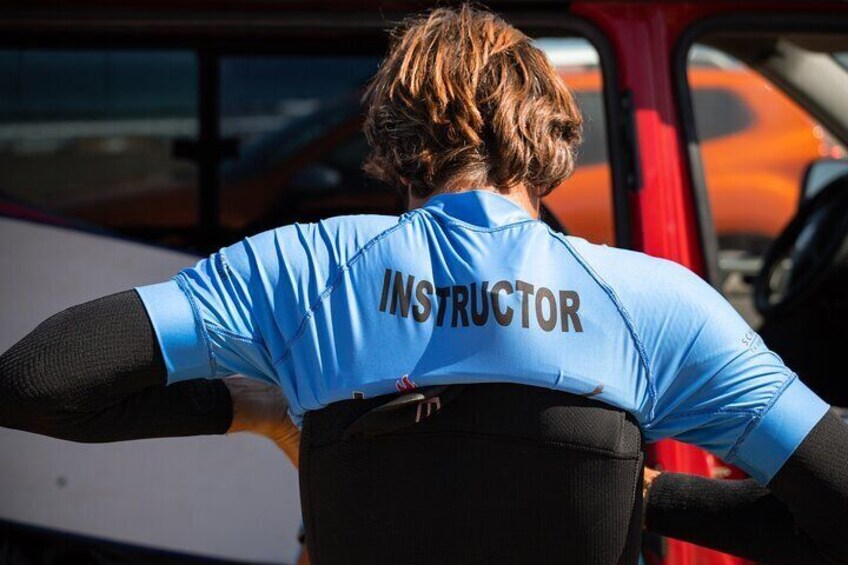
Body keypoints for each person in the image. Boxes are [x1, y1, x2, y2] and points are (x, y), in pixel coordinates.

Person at [1, 4, 847, 564]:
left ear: (394, 141)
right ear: (552, 141)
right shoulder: (654, 299)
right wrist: (648, 493)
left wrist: (246, 407)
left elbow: (39, 383)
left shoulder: (304, 268)